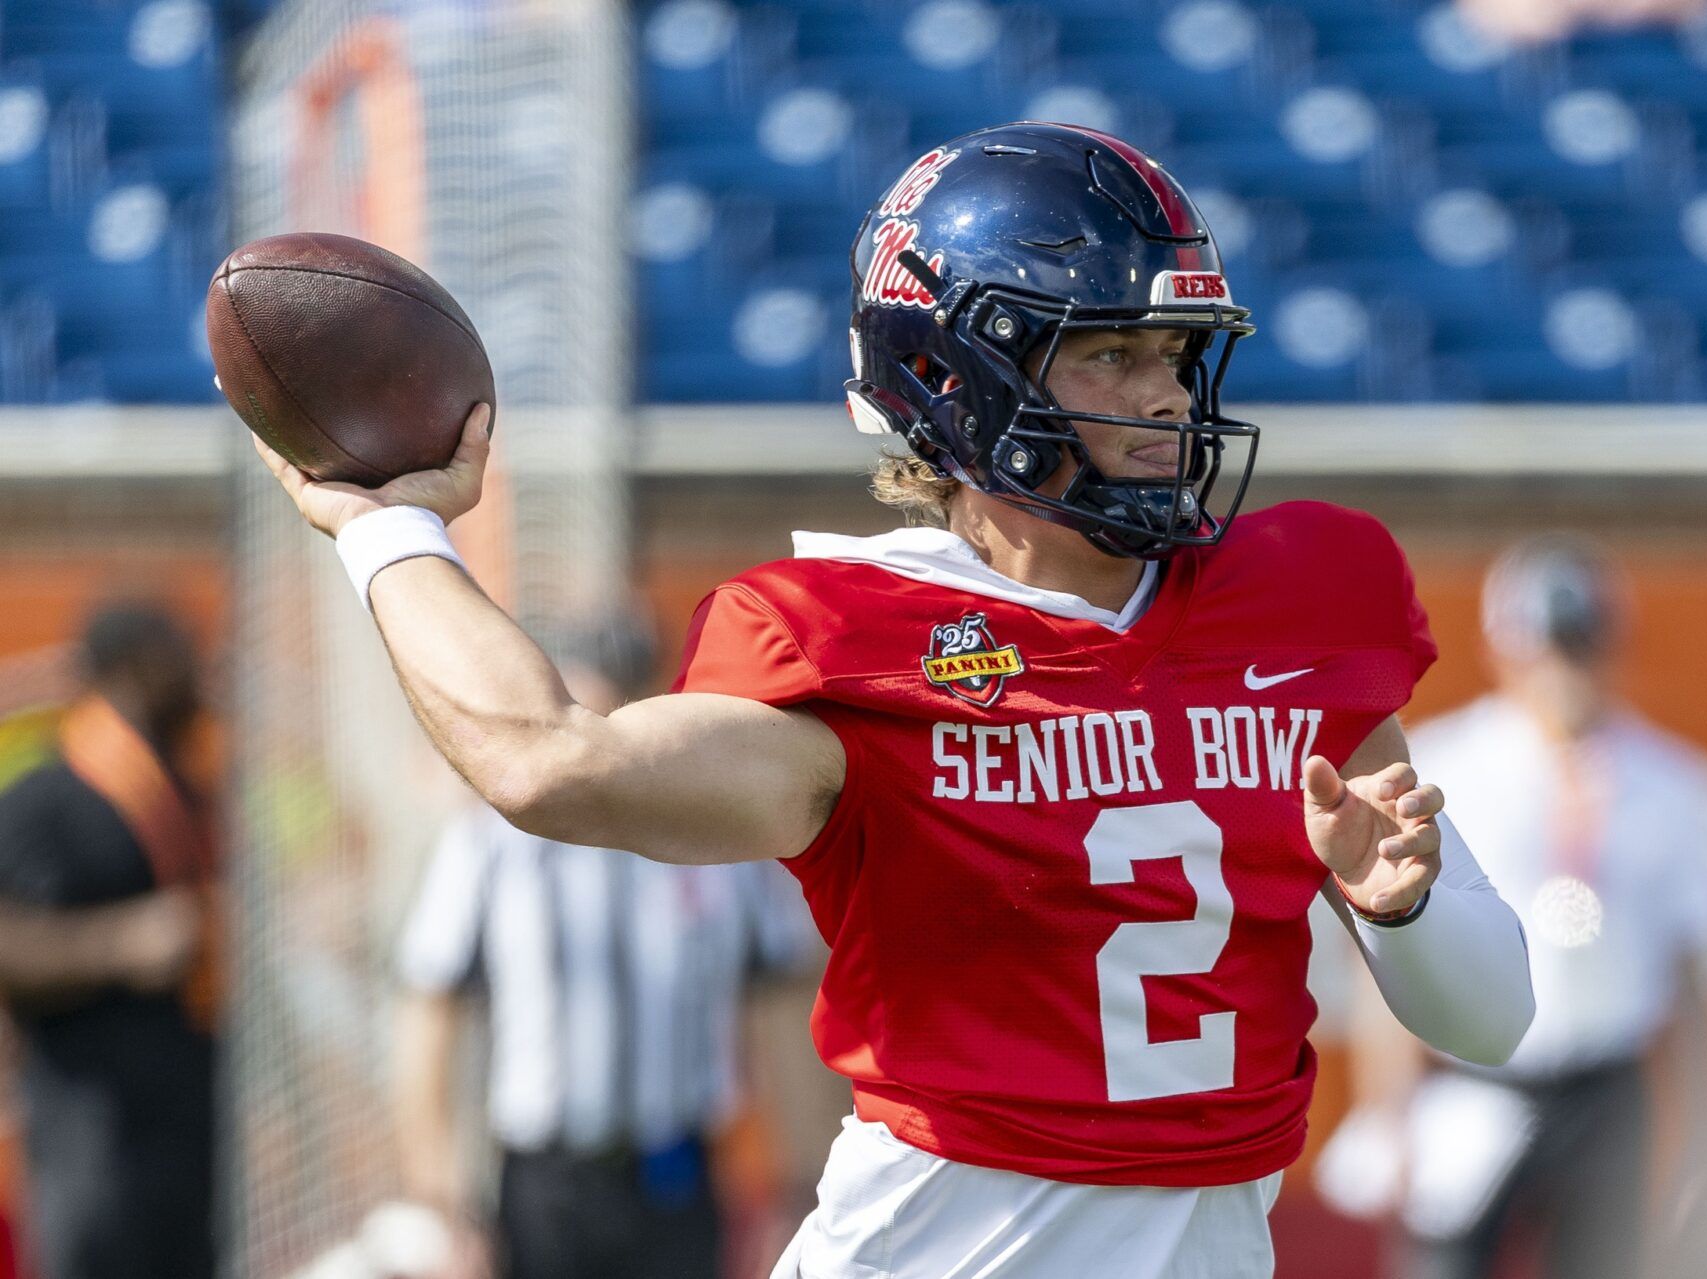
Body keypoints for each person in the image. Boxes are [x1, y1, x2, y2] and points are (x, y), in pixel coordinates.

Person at [252, 122, 1536, 1277]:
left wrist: (1404, 905)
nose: (1160, 396)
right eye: (1106, 354)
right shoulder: (849, 644)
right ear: (955, 378)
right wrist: (383, 529)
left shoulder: (1304, 601)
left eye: (1172, 353)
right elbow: (551, 763)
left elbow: (1493, 1013)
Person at [1316, 536, 1707, 1279]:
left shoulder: (1676, 783)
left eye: (1581, 646)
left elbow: (1696, 975)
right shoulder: (1451, 763)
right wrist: (1393, 1113)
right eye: (1549, 648)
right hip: (1476, 1085)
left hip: (1608, 1084)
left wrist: (1706, 1134)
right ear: (1505, 650)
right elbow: (1397, 951)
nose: (1566, 672)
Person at [391, 616, 807, 1279]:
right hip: (547, 1180)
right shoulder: (491, 840)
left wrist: (797, 1187)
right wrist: (440, 1196)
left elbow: (780, 1005)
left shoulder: (721, 838)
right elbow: (430, 1009)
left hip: (680, 1168)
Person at [0, 604, 219, 1279]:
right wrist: (122, 943)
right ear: (129, 669)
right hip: (91, 1129)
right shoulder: (48, 795)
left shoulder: (182, 791)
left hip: (187, 1122)